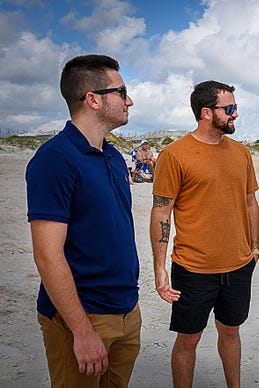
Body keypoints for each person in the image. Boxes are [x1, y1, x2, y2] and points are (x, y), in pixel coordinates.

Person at [25, 54, 141, 387]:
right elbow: (47, 255)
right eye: (121, 91)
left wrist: (129, 311)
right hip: (83, 316)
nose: (128, 99)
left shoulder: (114, 157)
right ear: (93, 99)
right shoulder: (55, 159)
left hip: (125, 310)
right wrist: (82, 331)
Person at [150, 80, 259, 388]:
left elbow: (251, 201)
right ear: (206, 113)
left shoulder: (241, 153)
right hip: (193, 268)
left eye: (235, 107)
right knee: (189, 338)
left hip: (239, 266)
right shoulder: (174, 155)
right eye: (230, 109)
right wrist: (160, 268)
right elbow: (161, 211)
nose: (235, 114)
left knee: (231, 331)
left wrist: (255, 249)